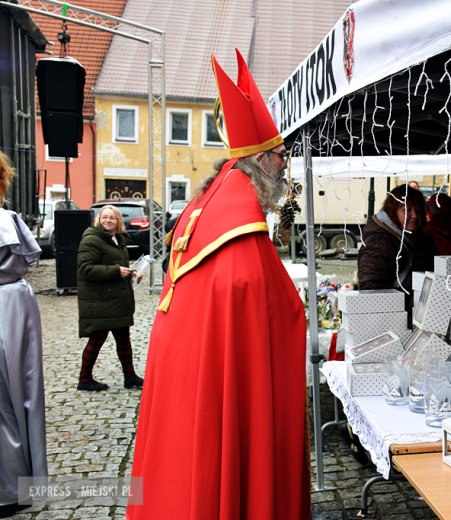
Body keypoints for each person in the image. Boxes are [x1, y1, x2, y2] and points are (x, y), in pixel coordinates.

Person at [126, 49, 309, 520]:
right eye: (283, 159)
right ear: (262, 161)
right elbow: (263, 305)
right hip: (209, 373)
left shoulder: (208, 205)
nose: (285, 170)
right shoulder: (239, 228)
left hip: (184, 374)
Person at [0, 152, 46, 518]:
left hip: (9, 308)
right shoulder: (10, 219)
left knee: (11, 398)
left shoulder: (7, 219)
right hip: (15, 305)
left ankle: (13, 488)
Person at [76, 205, 144, 391]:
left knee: (123, 339)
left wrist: (131, 274)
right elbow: (85, 269)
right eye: (104, 217)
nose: (107, 220)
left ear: (118, 221)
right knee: (97, 339)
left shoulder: (117, 239)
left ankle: (130, 377)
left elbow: (116, 265)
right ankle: (84, 379)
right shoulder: (92, 240)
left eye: (112, 218)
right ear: (99, 219)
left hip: (115, 298)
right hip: (100, 301)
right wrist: (115, 271)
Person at [358, 185, 439, 317]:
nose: (414, 215)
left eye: (418, 210)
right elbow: (371, 291)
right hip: (395, 323)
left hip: (423, 320)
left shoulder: (423, 239)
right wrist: (413, 302)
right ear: (392, 212)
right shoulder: (379, 242)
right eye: (407, 210)